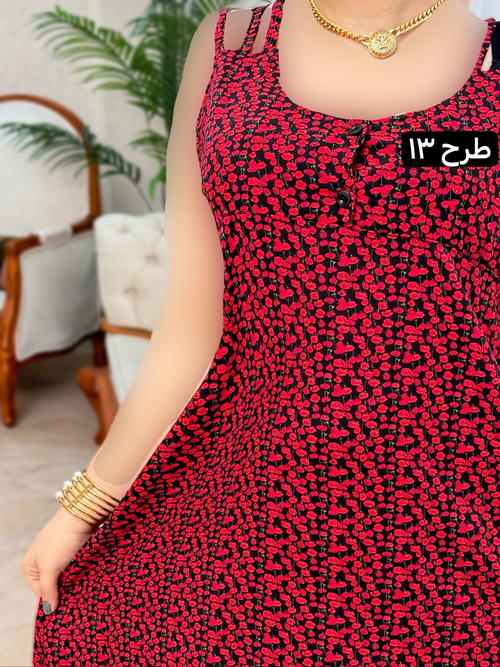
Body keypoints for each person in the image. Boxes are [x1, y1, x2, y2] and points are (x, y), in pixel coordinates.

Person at [25, 0, 500, 663]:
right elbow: (192, 317)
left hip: (457, 498)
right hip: (258, 483)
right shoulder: (228, 46)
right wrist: (86, 503)